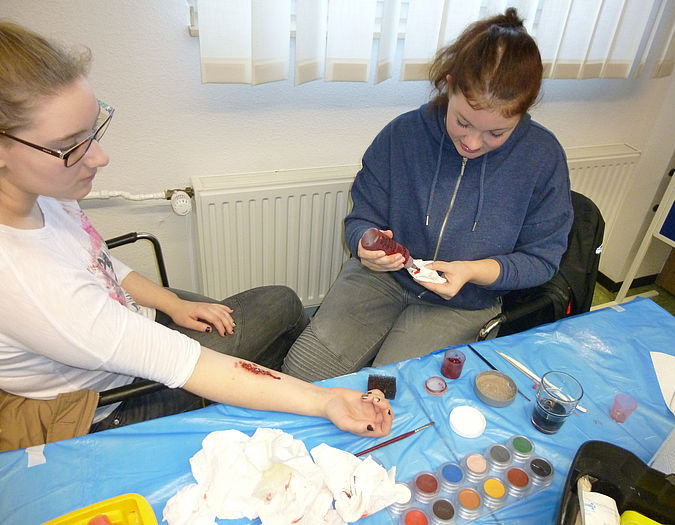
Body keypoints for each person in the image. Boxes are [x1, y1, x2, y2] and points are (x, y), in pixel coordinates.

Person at [0, 21, 393, 451]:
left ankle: (283, 384)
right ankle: (286, 392)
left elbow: (97, 260)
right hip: (112, 405)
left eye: (94, 130)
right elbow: (189, 363)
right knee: (280, 316)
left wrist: (171, 303)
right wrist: (324, 401)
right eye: (71, 145)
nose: (100, 156)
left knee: (280, 302)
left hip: (125, 331)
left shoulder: (42, 193)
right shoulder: (28, 285)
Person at [282, 8, 574, 382]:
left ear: (522, 112)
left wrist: (471, 272)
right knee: (299, 376)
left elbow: (542, 260)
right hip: (381, 281)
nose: (472, 142)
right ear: (448, 85)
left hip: (464, 302)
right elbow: (362, 218)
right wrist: (365, 246)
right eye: (463, 122)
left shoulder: (542, 157)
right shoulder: (403, 135)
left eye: (495, 134)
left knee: (387, 391)